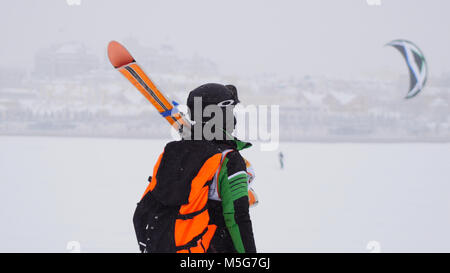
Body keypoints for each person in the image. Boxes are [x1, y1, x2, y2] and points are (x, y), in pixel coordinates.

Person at [133, 83, 256, 253]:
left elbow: (149, 203)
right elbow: (236, 218)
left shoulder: (175, 153)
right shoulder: (229, 160)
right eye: (231, 111)